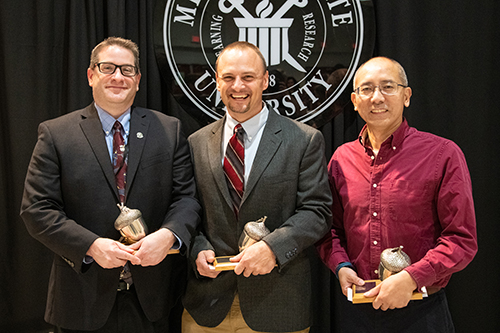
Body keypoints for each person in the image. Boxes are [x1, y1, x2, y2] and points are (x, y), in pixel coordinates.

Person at [20, 37, 201, 332]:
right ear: (91, 75)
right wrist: (90, 246)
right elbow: (37, 210)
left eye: (127, 70)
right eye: (108, 68)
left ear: (138, 80)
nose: (118, 76)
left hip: (153, 300)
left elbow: (187, 199)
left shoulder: (169, 130)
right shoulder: (56, 134)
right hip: (81, 297)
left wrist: (168, 236)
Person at [316, 56, 477, 332]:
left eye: (388, 87)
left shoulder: (443, 154)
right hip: (357, 312)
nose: (377, 97)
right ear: (354, 101)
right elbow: (329, 229)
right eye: (366, 89)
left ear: (406, 96)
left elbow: (461, 239)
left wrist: (412, 278)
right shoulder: (341, 159)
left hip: (420, 311)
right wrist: (340, 265)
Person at [182, 41, 332, 333]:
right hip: (207, 308)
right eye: (228, 77)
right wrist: (196, 248)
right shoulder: (196, 142)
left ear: (265, 80)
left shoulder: (304, 140)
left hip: (277, 306)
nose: (238, 86)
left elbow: (318, 211)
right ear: (217, 80)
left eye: (248, 77)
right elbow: (188, 208)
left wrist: (272, 248)